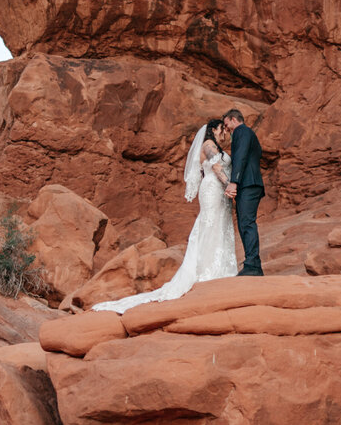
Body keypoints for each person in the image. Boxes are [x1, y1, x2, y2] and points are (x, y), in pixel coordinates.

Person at [92, 118, 237, 313]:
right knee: (210, 225)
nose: (224, 133)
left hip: (219, 190)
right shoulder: (209, 144)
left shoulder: (214, 144)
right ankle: (207, 271)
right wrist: (229, 184)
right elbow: (216, 166)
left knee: (219, 225)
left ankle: (218, 267)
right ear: (213, 129)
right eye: (222, 129)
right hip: (213, 187)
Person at [223, 107, 265, 276]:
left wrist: (234, 182)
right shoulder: (246, 134)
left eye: (227, 125)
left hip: (248, 183)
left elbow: (240, 156)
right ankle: (252, 263)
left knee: (246, 223)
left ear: (234, 120)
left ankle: (253, 265)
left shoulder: (242, 131)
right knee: (244, 223)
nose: (227, 129)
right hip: (249, 183)